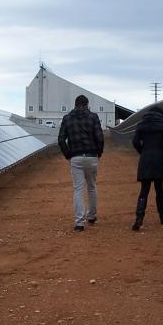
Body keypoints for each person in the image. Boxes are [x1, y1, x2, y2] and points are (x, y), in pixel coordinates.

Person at [58, 94, 104, 231]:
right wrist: (98, 153)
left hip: (76, 157)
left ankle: (79, 222)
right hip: (91, 156)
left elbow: (61, 140)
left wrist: (68, 155)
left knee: (78, 189)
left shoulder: (67, 118)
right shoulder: (93, 117)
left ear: (75, 104)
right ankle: (91, 216)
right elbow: (100, 138)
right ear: (87, 104)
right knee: (92, 187)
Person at [131, 106, 163, 231]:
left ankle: (139, 217)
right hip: (159, 157)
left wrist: (142, 151)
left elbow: (135, 142)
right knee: (159, 189)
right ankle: (162, 217)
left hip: (146, 157)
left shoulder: (141, 124)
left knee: (144, 189)